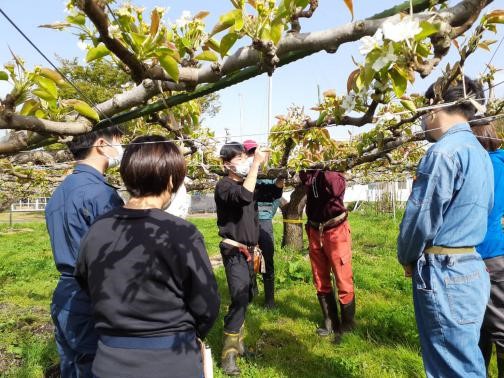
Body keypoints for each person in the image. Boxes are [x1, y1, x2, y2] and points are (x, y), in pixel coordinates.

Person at [74, 135, 220, 378]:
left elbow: (86, 285)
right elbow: (206, 305)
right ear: (171, 178)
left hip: (110, 360)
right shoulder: (181, 233)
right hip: (170, 361)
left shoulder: (97, 230)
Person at [397, 76, 493, 378]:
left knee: (450, 367)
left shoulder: (443, 153)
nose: (424, 122)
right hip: (472, 268)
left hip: (444, 269)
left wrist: (407, 256)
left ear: (434, 106)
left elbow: (420, 216)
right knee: (465, 358)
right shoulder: (480, 153)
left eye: (424, 113)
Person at [45, 126, 124, 377]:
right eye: (119, 142)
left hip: (64, 294)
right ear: (101, 144)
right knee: (94, 367)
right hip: (92, 295)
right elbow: (117, 256)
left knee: (71, 365)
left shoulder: (59, 192)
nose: (121, 149)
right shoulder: (102, 195)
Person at [215, 141, 267, 376]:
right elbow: (244, 196)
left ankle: (239, 343)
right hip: (234, 250)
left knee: (246, 296)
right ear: (227, 164)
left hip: (249, 251)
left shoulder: (247, 184)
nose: (245, 161)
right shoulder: (224, 186)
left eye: (246, 157)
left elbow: (253, 196)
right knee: (238, 296)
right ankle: (228, 354)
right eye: (240, 158)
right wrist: (255, 165)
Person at [299, 170, 355, 343]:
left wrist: (326, 168)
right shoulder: (308, 170)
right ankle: (330, 320)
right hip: (315, 229)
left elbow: (336, 189)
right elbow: (307, 183)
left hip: (335, 228)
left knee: (342, 277)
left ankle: (347, 324)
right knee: (319, 276)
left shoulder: (333, 172)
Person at [472, 120, 504, 377]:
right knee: (488, 326)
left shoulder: (482, 165)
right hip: (495, 251)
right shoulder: (501, 163)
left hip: (483, 254)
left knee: (491, 328)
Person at [243, 139, 284, 308]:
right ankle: (252, 292)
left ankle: (269, 300)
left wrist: (280, 182)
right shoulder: (244, 172)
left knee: (267, 257)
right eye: (251, 152)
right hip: (247, 220)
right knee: (248, 257)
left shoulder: (268, 176)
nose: (256, 156)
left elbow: (275, 192)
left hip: (264, 220)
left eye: (258, 152)